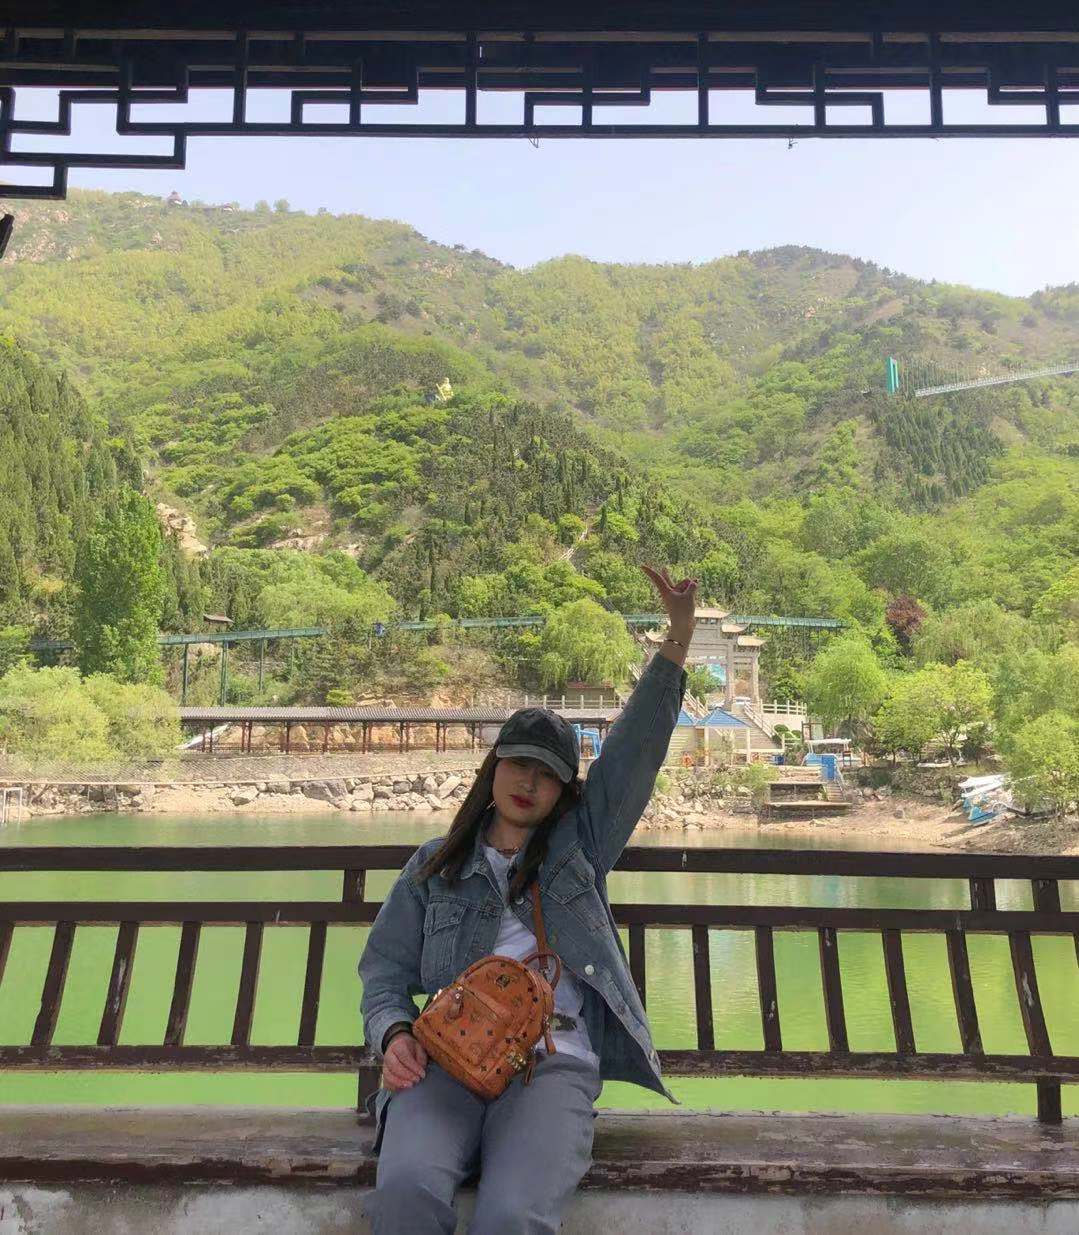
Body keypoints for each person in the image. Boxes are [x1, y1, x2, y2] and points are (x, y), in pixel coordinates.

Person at [359, 565, 697, 1233]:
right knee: (404, 1191)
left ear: (565, 791)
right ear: (493, 770)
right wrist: (394, 1034)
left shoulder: (580, 850)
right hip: (444, 1061)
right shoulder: (434, 865)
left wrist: (678, 635)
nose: (528, 782)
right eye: (518, 764)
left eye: (547, 775)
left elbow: (633, 752)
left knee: (511, 1214)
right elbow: (384, 972)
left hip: (552, 1063)